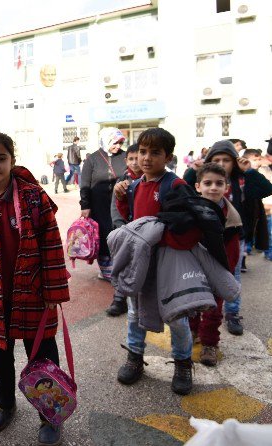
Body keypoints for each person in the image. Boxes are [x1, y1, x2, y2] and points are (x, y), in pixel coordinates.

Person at [0, 132, 70, 445]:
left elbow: (51, 242)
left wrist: (55, 291)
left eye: (1, 158)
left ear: (12, 159)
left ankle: (50, 413)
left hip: (34, 291)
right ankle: (4, 403)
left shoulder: (34, 196)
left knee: (43, 357)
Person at [113, 128, 198, 395]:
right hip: (141, 262)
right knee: (135, 312)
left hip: (167, 262)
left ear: (168, 157)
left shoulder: (175, 185)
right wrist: (120, 197)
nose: (146, 158)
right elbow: (132, 220)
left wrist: (164, 243)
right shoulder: (135, 185)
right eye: (142, 152)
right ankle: (135, 357)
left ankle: (183, 363)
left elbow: (187, 224)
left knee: (176, 314)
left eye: (155, 152)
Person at [184, 140, 272, 335]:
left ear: (235, 161)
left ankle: (232, 313)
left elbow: (266, 189)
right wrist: (193, 169)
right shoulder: (206, 179)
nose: (222, 164)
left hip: (233, 237)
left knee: (232, 277)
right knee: (201, 279)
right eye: (217, 160)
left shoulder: (241, 181)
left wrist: (249, 171)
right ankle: (197, 318)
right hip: (205, 239)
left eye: (227, 160)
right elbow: (186, 185)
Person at [189, 163, 242, 366]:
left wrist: (225, 273)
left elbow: (233, 251)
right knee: (192, 304)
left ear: (226, 187)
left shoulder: (232, 218)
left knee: (213, 309)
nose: (213, 188)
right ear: (197, 186)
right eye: (208, 183)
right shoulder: (190, 210)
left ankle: (210, 343)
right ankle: (192, 330)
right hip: (193, 269)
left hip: (219, 270)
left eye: (219, 183)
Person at [79, 127, 127, 281]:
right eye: (115, 142)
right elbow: (85, 184)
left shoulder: (124, 156)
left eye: (120, 142)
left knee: (119, 233)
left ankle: (120, 266)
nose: (118, 146)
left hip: (119, 204)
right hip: (98, 205)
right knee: (102, 235)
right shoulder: (92, 159)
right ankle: (106, 269)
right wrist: (85, 205)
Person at [106, 143, 143, 316]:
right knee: (122, 265)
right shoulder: (122, 181)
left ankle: (143, 301)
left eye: (138, 158)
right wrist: (120, 227)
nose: (135, 162)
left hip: (145, 234)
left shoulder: (150, 180)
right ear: (126, 160)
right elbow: (115, 207)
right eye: (131, 159)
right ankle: (119, 298)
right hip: (125, 231)